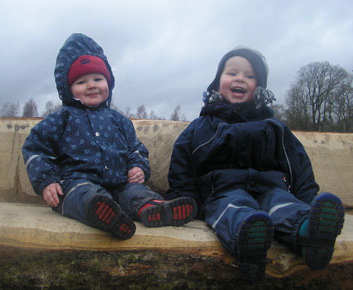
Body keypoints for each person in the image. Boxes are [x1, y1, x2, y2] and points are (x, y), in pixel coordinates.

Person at [166, 46, 345, 281]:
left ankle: (310, 233)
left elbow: (297, 162)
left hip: (271, 187)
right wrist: (186, 200)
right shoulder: (202, 126)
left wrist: (308, 198)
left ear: (258, 88)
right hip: (222, 192)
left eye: (250, 76)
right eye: (232, 73)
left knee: (284, 205)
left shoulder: (273, 126)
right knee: (234, 209)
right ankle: (248, 239)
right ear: (217, 82)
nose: (240, 78)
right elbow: (183, 163)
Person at [22, 33, 197, 240]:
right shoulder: (62, 118)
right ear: (68, 90)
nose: (91, 85)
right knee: (83, 196)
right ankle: (101, 212)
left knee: (135, 193)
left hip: (120, 183)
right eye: (81, 81)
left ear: (109, 83)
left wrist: (138, 167)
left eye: (98, 79)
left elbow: (135, 149)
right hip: (76, 182)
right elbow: (36, 148)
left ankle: (151, 208)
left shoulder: (120, 121)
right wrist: (47, 181)